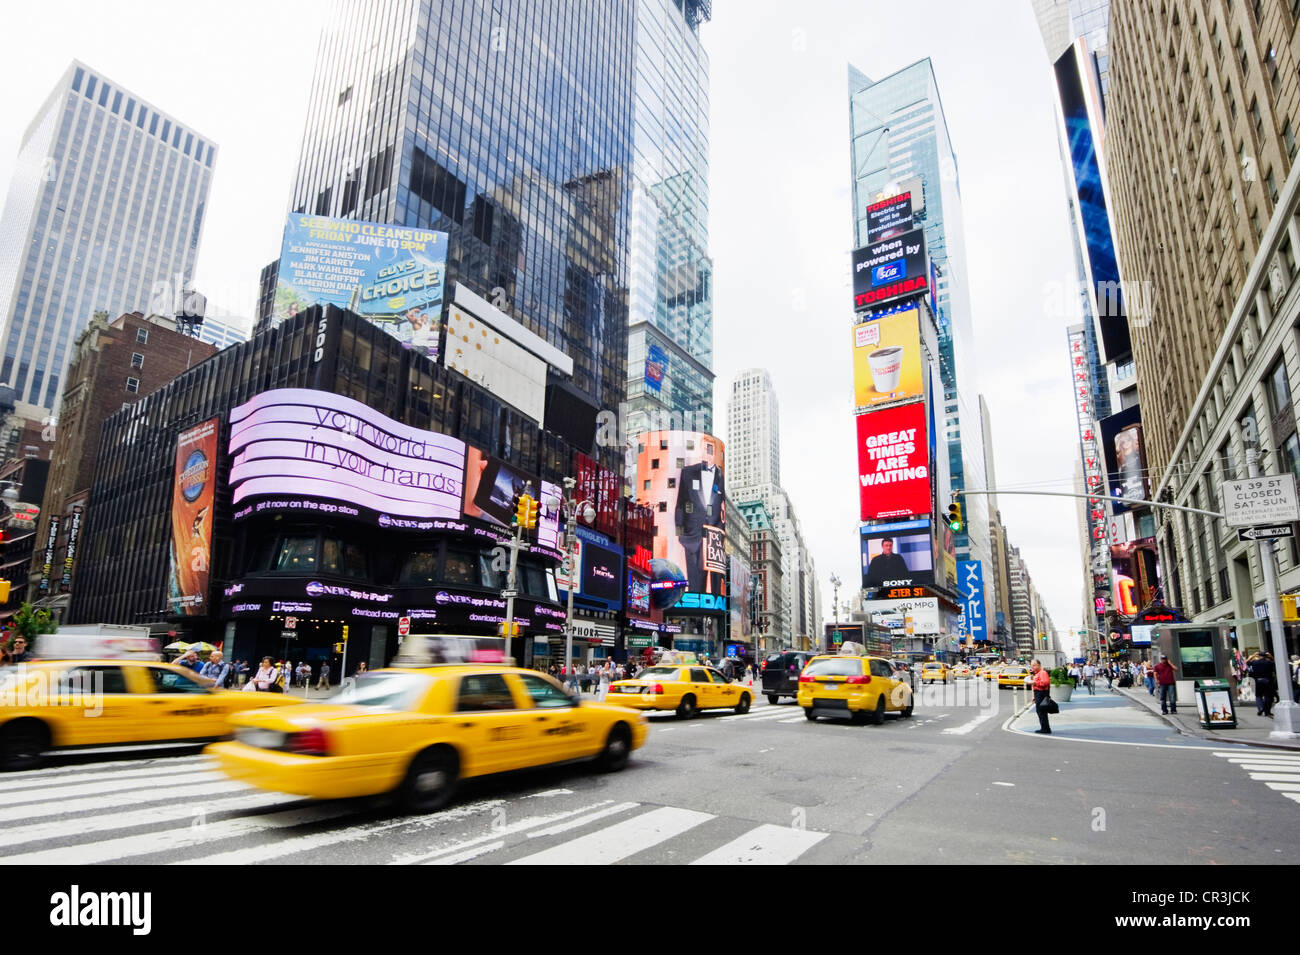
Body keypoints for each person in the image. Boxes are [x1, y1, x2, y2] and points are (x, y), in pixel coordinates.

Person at [674, 438, 725, 593]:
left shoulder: (722, 478)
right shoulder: (688, 472)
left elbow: (722, 509)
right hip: (692, 537)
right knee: (695, 585)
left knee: (716, 586)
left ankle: (715, 610)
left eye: (711, 450)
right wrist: (680, 534)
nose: (708, 453)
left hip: (714, 539)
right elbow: (680, 506)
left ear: (715, 453)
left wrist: (721, 531)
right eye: (705, 449)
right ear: (701, 451)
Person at [1248, 651, 1277, 718]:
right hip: (1267, 681)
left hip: (1257, 681)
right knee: (1268, 696)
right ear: (1266, 656)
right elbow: (1275, 662)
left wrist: (1253, 655)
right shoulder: (1269, 662)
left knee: (1258, 696)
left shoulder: (1254, 662)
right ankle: (1267, 711)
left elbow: (1247, 662)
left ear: (1259, 656)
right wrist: (1270, 656)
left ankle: (1261, 708)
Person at [1030, 659, 1052, 734]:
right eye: (1031, 665)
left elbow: (1045, 682)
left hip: (1042, 693)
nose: (1032, 667)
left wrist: (1034, 682)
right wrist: (1034, 696)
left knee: (1041, 711)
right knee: (1040, 711)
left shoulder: (1042, 673)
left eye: (1034, 665)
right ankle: (1044, 727)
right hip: (1038, 693)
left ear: (1039, 665)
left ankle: (1045, 728)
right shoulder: (1037, 673)